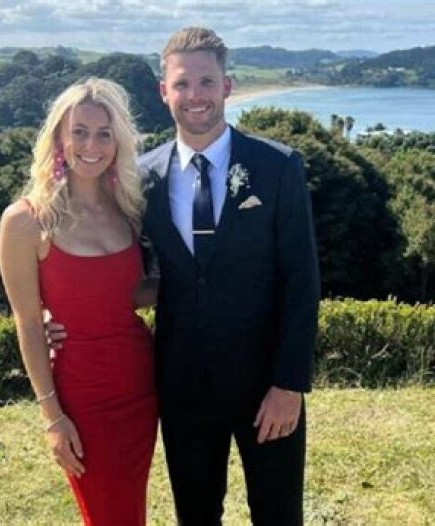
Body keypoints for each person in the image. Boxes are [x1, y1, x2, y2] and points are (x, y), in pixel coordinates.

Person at [50, 27, 319, 525]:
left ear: (227, 86)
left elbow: (301, 281)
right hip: (182, 385)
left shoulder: (277, 167)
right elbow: (111, 261)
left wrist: (289, 384)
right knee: (195, 516)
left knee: (279, 515)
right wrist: (62, 313)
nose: (195, 95)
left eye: (206, 82)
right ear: (163, 91)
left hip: (266, 385)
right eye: (182, 83)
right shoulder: (140, 177)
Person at [0, 77, 158, 526]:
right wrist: (52, 417)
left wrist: (200, 285)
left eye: (104, 133)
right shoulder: (26, 221)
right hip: (83, 397)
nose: (92, 145)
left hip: (140, 384)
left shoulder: (126, 207)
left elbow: (129, 295)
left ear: (118, 142)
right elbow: (29, 323)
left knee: (130, 509)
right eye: (80, 132)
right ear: (59, 139)